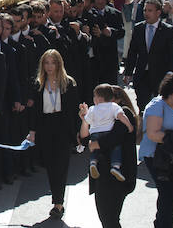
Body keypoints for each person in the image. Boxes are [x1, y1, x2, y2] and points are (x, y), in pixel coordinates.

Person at [24, 49, 78, 220]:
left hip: (62, 126)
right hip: (45, 127)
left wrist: (77, 132)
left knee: (61, 165)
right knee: (50, 165)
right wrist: (32, 131)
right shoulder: (39, 83)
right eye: (46, 63)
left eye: (52, 62)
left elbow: (72, 110)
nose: (49, 66)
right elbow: (35, 112)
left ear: (58, 64)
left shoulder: (68, 83)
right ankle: (57, 197)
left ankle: (58, 203)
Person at [140, 73, 173, 228]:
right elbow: (152, 133)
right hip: (158, 157)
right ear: (170, 91)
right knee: (168, 194)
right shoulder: (157, 106)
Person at [124, 0, 173, 111]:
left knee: (162, 107)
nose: (146, 13)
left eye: (150, 10)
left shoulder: (167, 30)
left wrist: (171, 73)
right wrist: (128, 72)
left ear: (158, 12)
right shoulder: (139, 28)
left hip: (160, 74)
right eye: (145, 10)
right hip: (142, 74)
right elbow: (132, 51)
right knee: (142, 106)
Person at [78, 84, 133, 181]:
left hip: (119, 170)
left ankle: (96, 163)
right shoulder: (97, 110)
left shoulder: (123, 112)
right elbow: (84, 139)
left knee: (113, 148)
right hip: (102, 170)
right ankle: (107, 165)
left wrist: (96, 144)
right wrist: (84, 119)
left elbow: (116, 138)